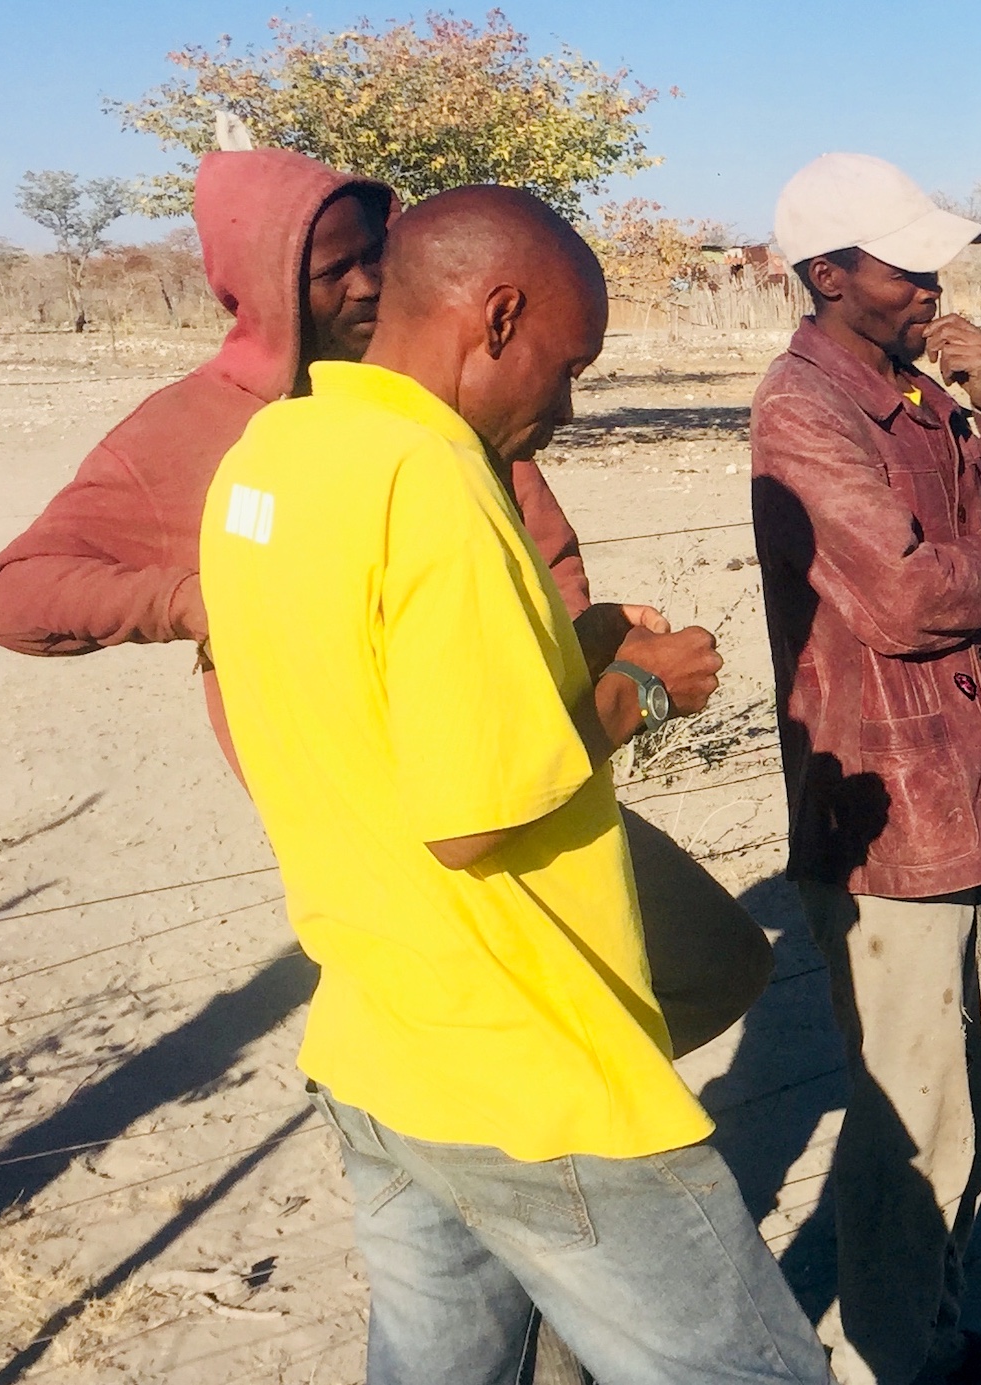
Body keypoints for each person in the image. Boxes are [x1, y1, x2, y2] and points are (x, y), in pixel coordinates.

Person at [198, 185, 830, 1385]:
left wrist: (579, 640)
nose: (570, 399)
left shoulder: (274, 450)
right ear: (496, 316)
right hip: (524, 1063)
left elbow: (370, 693)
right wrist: (643, 696)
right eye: (568, 359)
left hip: (381, 1038)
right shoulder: (434, 476)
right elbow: (471, 811)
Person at [0, 143, 770, 1064]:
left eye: (376, 257)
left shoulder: (436, 397)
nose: (364, 286)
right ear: (262, 289)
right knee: (545, 1018)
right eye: (329, 269)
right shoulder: (196, 430)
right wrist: (207, 598)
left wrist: (576, 653)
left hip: (520, 762)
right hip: (385, 813)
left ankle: (505, 1123)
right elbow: (18, 594)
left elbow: (544, 551)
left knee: (709, 962)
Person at [747, 152, 981, 1385]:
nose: (929, 285)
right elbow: (905, 592)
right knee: (918, 1113)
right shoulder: (805, 409)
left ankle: (924, 1327)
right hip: (888, 809)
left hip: (967, 786)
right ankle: (905, 1356)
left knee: (975, 1087)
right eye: (901, 265)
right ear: (827, 275)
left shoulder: (923, 395)